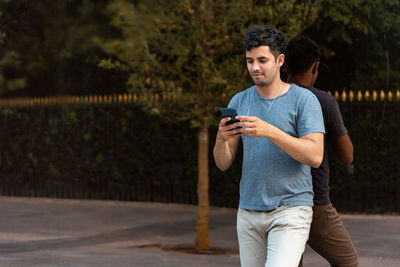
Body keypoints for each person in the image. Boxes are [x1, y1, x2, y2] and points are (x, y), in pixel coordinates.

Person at [213, 25, 325, 267]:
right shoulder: (239, 100)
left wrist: (270, 132)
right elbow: (223, 163)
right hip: (249, 211)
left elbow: (315, 155)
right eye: (250, 60)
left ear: (280, 60)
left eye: (262, 60)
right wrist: (221, 139)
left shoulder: (304, 100)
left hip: (290, 210)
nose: (254, 67)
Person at [285, 35, 359, 267]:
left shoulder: (270, 98)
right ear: (315, 66)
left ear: (284, 64)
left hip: (277, 202)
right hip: (313, 203)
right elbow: (347, 157)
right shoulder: (322, 101)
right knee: (348, 262)